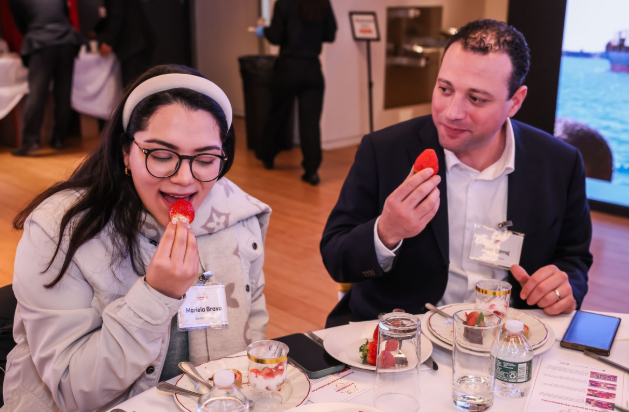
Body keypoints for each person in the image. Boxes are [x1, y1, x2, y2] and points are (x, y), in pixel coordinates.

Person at [2, 65, 271, 411]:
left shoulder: (236, 216)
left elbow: (255, 340)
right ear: (126, 152)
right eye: (161, 156)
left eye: (205, 159)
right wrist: (156, 295)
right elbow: (73, 391)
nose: (185, 179)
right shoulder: (60, 230)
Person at [320, 20, 592, 326]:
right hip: (402, 337)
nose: (451, 112)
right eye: (444, 89)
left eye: (476, 99)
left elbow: (574, 258)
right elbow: (335, 256)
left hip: (508, 338)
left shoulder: (559, 163)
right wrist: (387, 231)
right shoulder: (384, 150)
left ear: (514, 102)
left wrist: (563, 287)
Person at [254, 0, 337, 185]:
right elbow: (330, 35)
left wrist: (262, 30)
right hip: (312, 69)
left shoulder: (284, 3)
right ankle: (312, 170)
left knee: (278, 115)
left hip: (288, 68)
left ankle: (267, 156)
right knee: (311, 123)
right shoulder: (322, 3)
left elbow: (275, 36)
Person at [9, 0, 83, 156]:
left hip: (40, 41)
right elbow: (64, 13)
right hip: (66, 39)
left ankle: (30, 141)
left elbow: (21, 22)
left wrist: (35, 34)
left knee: (37, 93)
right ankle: (59, 139)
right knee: (63, 93)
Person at [94, 0, 154, 87]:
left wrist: (108, 41)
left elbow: (116, 16)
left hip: (135, 45)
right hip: (138, 42)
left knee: (134, 87)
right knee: (137, 85)